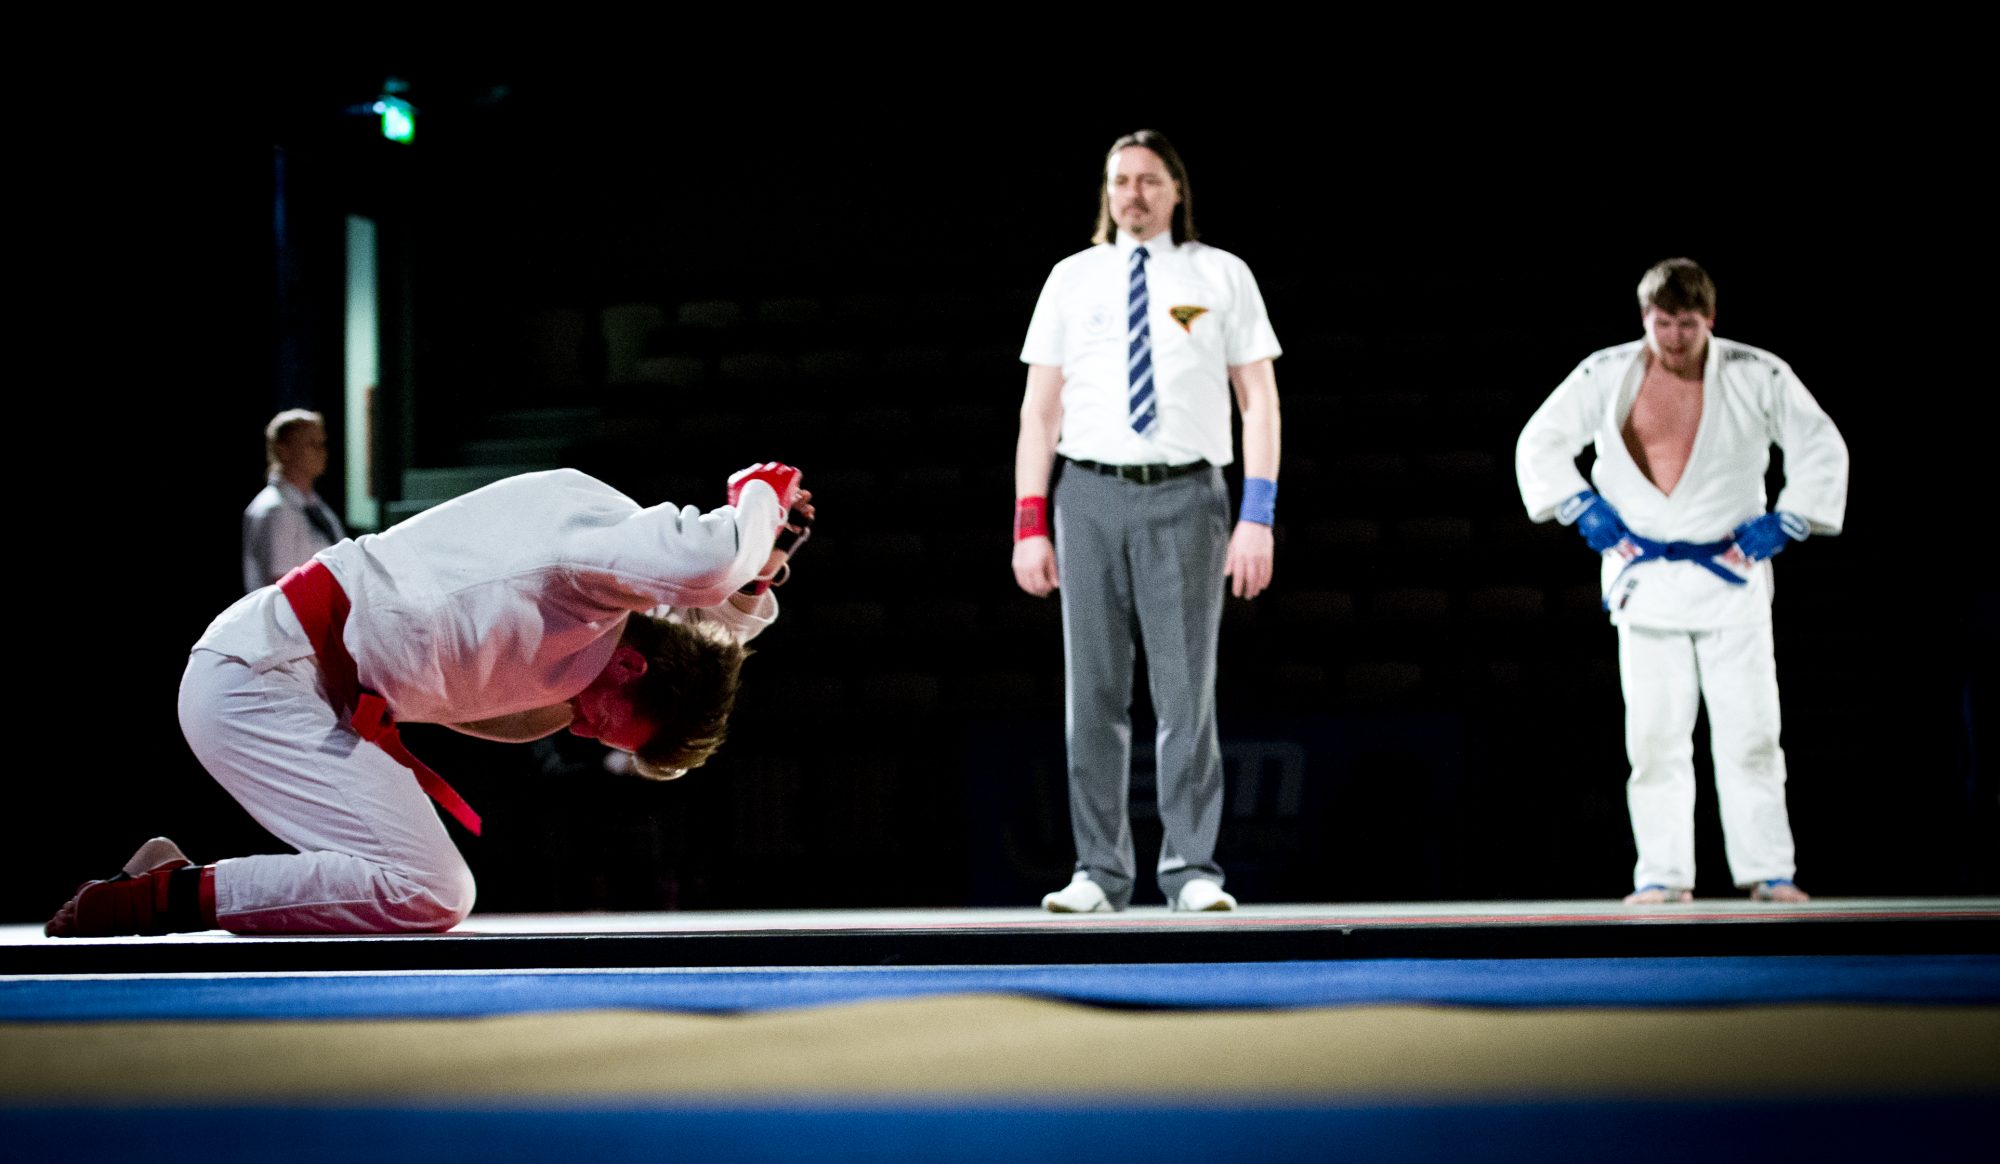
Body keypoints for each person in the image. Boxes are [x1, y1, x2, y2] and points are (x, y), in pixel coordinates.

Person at [47, 464, 812, 936]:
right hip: (258, 677)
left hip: (293, 686)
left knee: (429, 887)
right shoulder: (587, 560)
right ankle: (157, 900)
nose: (581, 733)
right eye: (605, 725)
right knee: (433, 891)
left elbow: (702, 634)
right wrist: (760, 503)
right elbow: (705, 565)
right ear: (631, 669)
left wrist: (757, 575)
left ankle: (162, 883)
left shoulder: (602, 643)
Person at [1515, 258, 1848, 905]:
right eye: (1663, 323)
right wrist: (1578, 505)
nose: (1673, 337)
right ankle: (1663, 873)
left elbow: (1821, 445)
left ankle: (1768, 870)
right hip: (1645, 578)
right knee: (1654, 739)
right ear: (1645, 318)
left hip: (1732, 574)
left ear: (1710, 319)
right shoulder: (1605, 373)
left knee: (1753, 734)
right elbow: (1539, 443)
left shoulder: (1756, 372)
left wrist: (1791, 519)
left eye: (1687, 325)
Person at [1012, 129, 1282, 913]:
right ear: (1107, 192)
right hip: (1089, 494)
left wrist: (1257, 515)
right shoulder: (1072, 278)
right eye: (1121, 179)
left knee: (1184, 694)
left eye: (1149, 179)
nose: (1133, 192)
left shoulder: (1220, 273)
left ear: (1176, 190)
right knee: (1093, 694)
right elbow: (1039, 412)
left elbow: (1260, 402)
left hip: (1188, 495)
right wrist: (1030, 521)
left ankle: (1192, 868)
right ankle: (1098, 872)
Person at [243, 409, 347, 593]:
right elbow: (281, 583)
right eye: (311, 444)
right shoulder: (275, 510)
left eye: (322, 443)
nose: (321, 452)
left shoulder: (316, 507)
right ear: (283, 450)